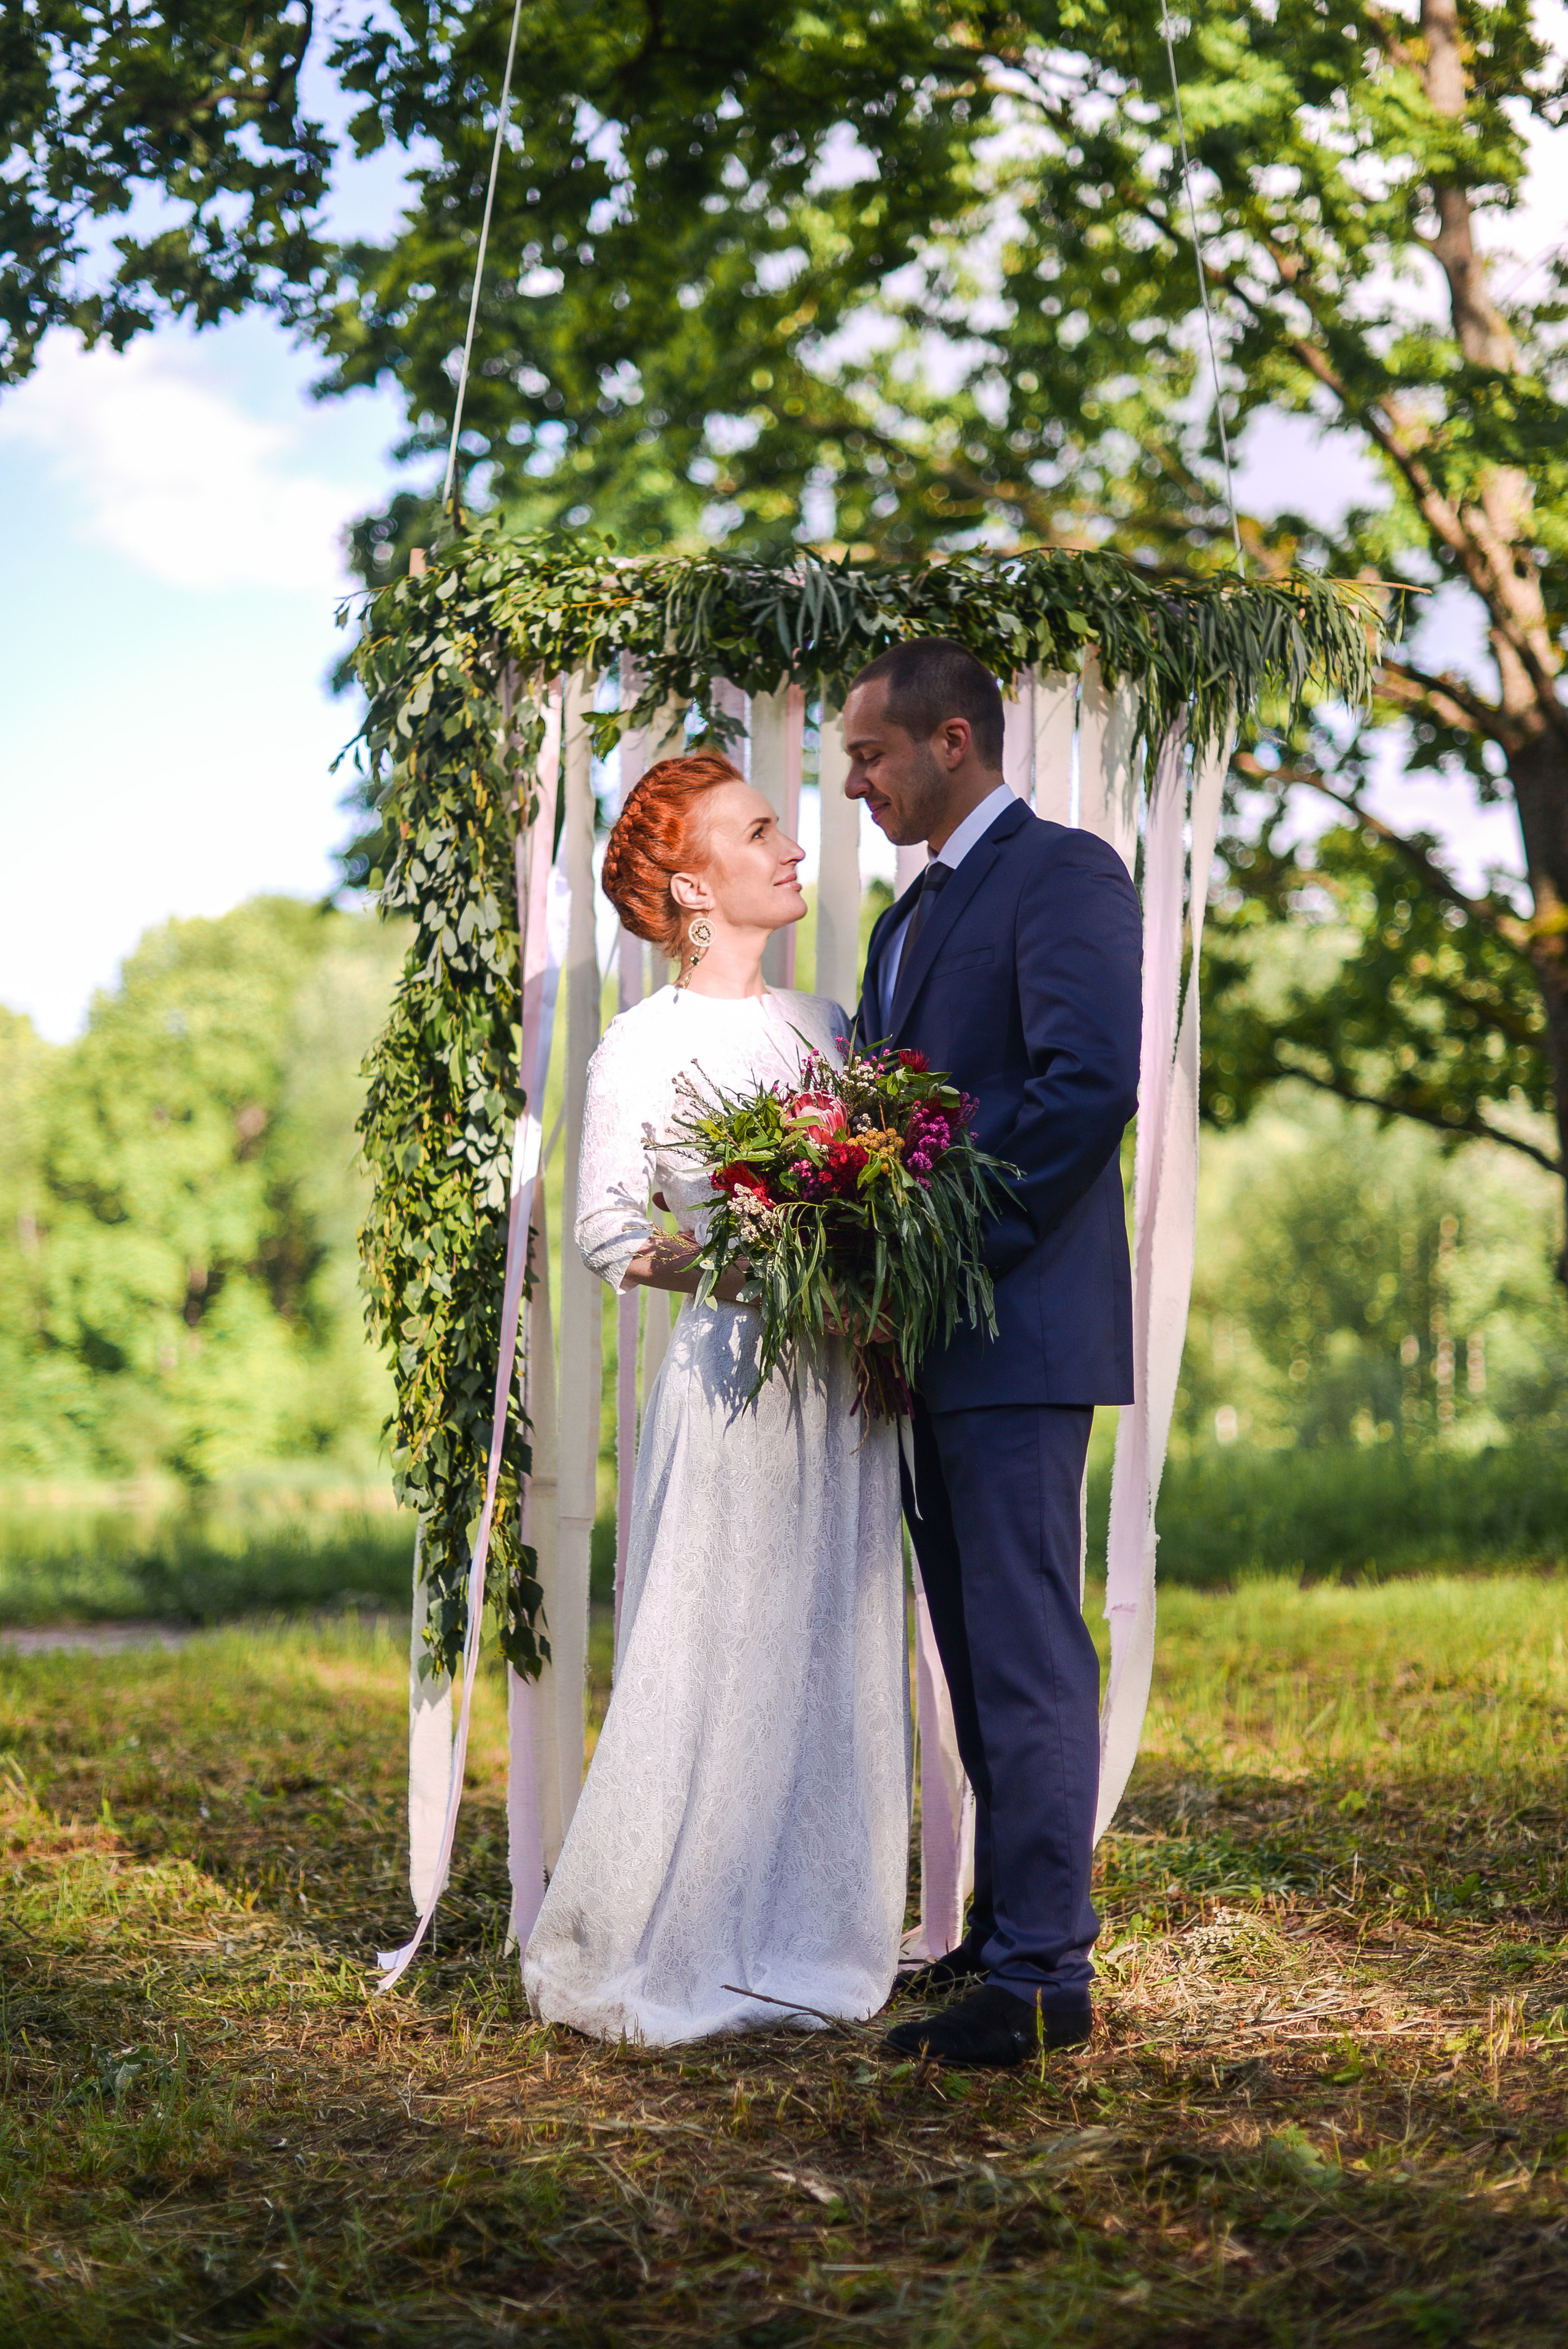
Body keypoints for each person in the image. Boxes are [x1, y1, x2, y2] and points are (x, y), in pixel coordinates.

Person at [522, 749, 910, 2046]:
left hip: (841, 1383)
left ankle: (813, 1934)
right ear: (691, 885)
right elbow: (600, 1230)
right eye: (757, 831)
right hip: (737, 1377)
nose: (791, 845)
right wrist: (750, 1256)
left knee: (830, 1646)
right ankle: (662, 1934)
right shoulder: (646, 1043)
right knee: (714, 1637)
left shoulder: (829, 1028)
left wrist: (855, 1265)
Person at [845, 638, 1142, 2069]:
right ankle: (1007, 1931)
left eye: (868, 757)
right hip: (923, 1348)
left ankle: (1041, 1980)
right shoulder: (898, 928)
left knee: (1024, 1656)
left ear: (950, 740)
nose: (852, 784)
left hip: (1017, 1329)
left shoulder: (1065, 872)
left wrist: (938, 1257)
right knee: (968, 1655)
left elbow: (1088, 1088)